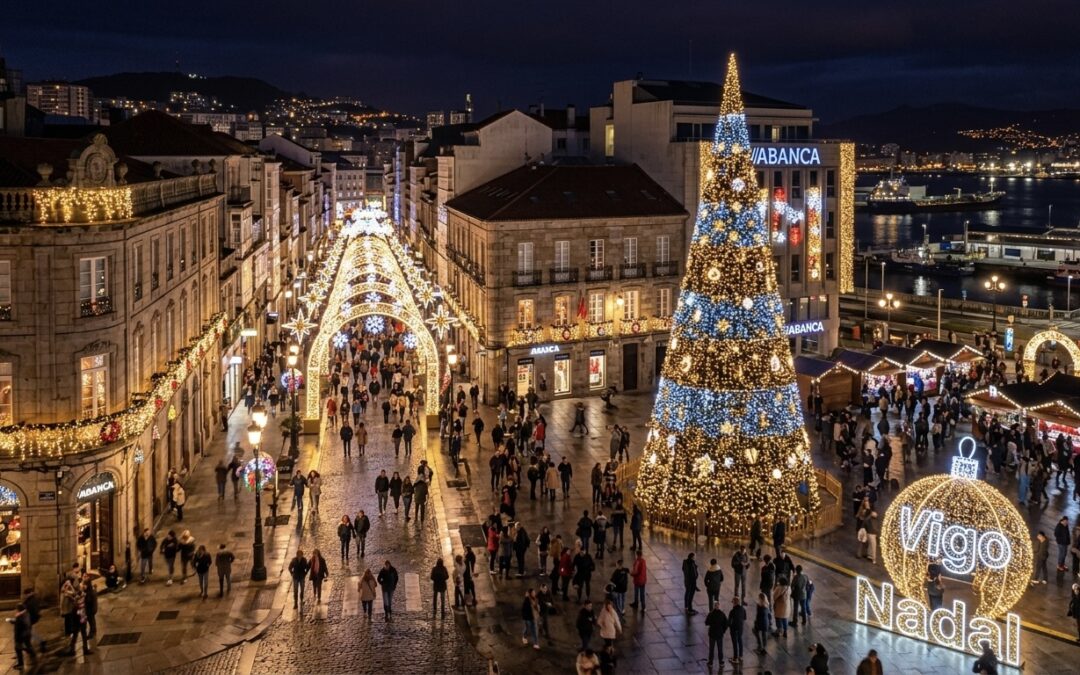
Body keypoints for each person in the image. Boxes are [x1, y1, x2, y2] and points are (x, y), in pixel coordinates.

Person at [11, 603, 37, 671]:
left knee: (18, 648)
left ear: (18, 609)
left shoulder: (19, 616)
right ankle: (31, 653)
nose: (15, 610)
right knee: (23, 646)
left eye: (16, 609)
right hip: (26, 633)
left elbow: (19, 626)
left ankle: (21, 663)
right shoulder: (26, 614)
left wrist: (13, 621)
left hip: (21, 635)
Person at [705, 600, 729, 667]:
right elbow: (726, 624)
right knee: (720, 648)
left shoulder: (711, 614)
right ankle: (721, 662)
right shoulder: (722, 614)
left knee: (711, 649)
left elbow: (706, 622)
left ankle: (710, 662)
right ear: (719, 606)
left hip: (712, 634)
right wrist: (723, 630)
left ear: (714, 606)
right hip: (719, 634)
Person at [728, 597, 746, 665]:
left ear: (734, 603)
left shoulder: (732, 611)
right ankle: (741, 656)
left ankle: (735, 658)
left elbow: (729, 622)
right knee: (740, 641)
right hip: (740, 628)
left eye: (732, 602)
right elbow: (744, 618)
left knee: (735, 643)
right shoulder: (743, 609)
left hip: (734, 629)